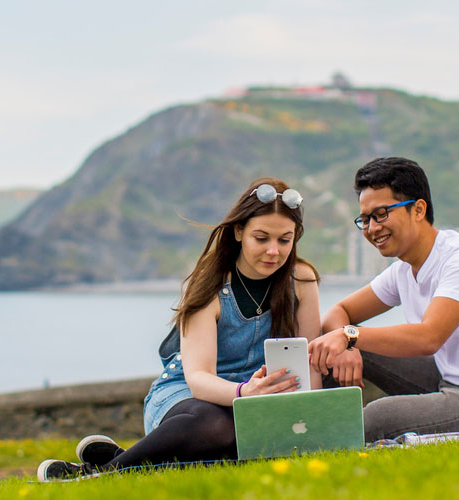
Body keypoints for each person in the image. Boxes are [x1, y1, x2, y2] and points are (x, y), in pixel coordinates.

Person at [39, 178, 322, 481]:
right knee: (215, 426)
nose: (273, 251)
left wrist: (307, 412)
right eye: (261, 238)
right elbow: (198, 379)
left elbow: (311, 361)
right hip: (188, 399)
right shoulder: (210, 284)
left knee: (246, 442)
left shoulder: (301, 280)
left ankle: (126, 458)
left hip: (255, 405)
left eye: (284, 240)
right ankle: (102, 475)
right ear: (239, 232)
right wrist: (244, 391)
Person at [308, 157, 459, 442]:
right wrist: (344, 344)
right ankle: (308, 431)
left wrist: (349, 336)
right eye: (365, 219)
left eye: (381, 214)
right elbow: (339, 310)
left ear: (418, 209)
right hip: (450, 380)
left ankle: (319, 445)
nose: (371, 228)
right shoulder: (403, 270)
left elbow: (428, 337)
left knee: (377, 418)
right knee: (330, 347)